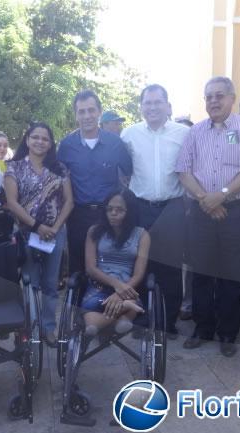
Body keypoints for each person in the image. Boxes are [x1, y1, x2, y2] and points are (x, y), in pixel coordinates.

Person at [177, 76, 240, 357]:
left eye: (219, 95)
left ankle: (228, 332)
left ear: (231, 98)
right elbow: (183, 170)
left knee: (231, 275)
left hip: (237, 212)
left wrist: (222, 194)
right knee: (201, 272)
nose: (213, 101)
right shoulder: (196, 132)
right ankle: (203, 327)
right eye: (208, 97)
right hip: (202, 212)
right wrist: (207, 199)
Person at [120, 84, 189, 339]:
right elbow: (122, 167)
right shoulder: (129, 134)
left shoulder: (184, 133)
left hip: (173, 208)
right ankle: (143, 319)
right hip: (141, 208)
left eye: (157, 102)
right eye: (147, 103)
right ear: (141, 107)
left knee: (170, 269)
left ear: (168, 105)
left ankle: (168, 322)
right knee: (141, 266)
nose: (152, 107)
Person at [4, 122, 74, 347]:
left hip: (55, 233)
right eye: (35, 137)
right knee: (30, 281)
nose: (40, 142)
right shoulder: (14, 167)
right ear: (27, 140)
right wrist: (37, 227)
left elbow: (69, 202)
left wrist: (55, 228)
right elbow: (12, 203)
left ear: (51, 143)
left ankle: (48, 328)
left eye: (45, 138)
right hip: (27, 233)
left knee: (51, 283)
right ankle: (28, 327)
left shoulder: (60, 168)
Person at [58, 90, 133, 275]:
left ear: (99, 112)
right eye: (81, 111)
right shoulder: (66, 146)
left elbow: (130, 174)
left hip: (110, 215)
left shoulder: (115, 143)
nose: (87, 116)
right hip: (78, 216)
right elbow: (59, 181)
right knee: (79, 268)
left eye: (91, 110)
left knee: (111, 267)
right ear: (76, 115)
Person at [81, 189, 149, 336]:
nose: (113, 213)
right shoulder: (94, 231)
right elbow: (90, 269)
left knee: (99, 324)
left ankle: (124, 306)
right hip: (98, 286)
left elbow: (139, 273)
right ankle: (125, 308)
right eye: (109, 209)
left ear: (129, 211)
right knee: (91, 328)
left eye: (119, 210)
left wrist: (120, 292)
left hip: (127, 287)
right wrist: (115, 285)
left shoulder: (142, 235)